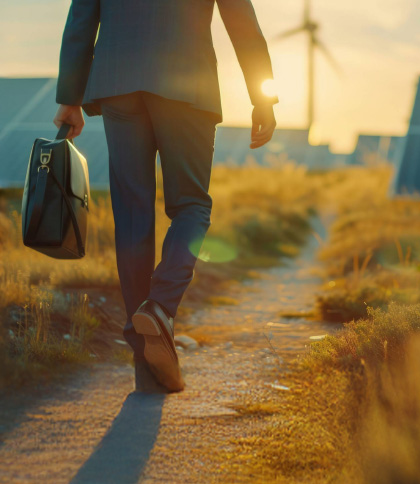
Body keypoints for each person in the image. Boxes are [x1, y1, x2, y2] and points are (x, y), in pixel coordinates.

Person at [53, 0, 278, 393]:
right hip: (186, 82)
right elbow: (241, 20)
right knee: (191, 205)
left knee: (132, 215)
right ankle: (159, 308)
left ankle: (146, 363)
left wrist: (70, 96)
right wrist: (263, 97)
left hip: (118, 81)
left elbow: (81, 16)